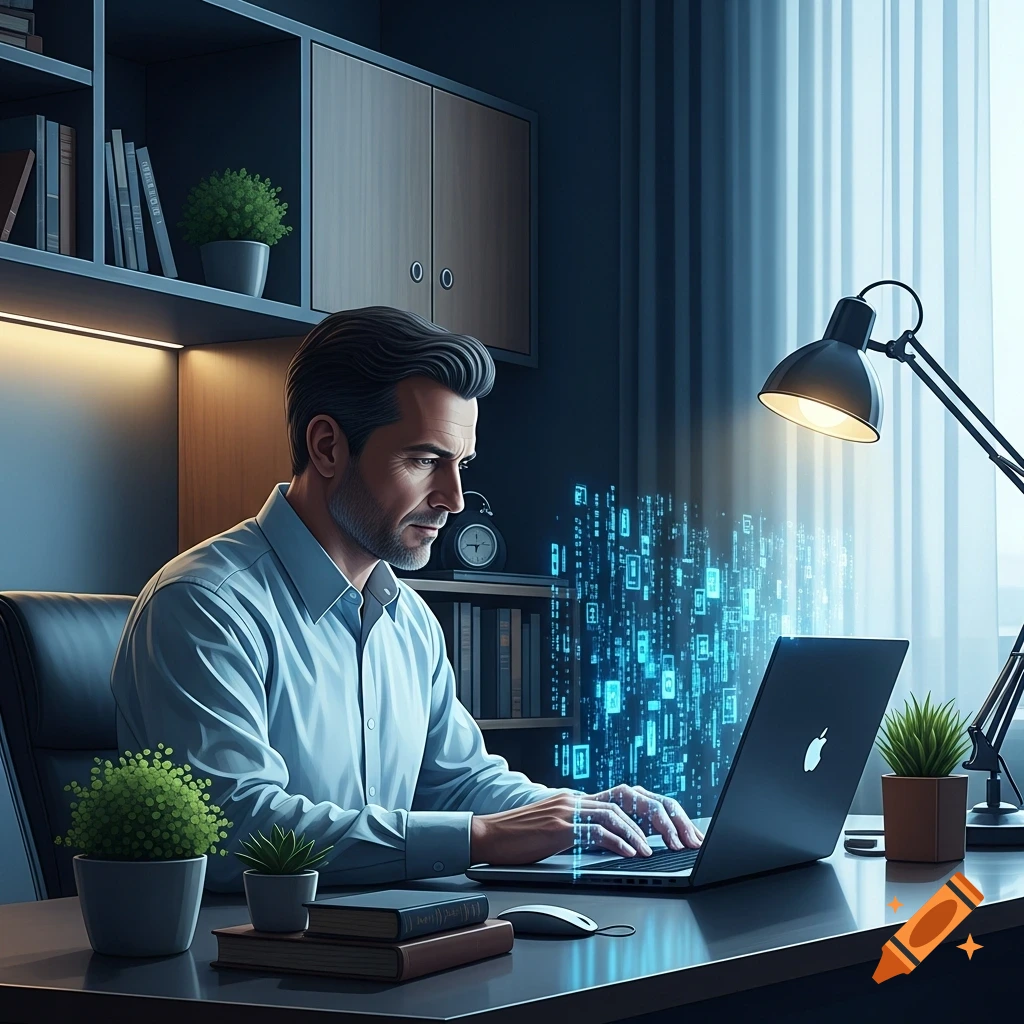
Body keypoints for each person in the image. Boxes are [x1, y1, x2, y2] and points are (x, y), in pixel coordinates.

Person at [110, 306, 704, 892]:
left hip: (395, 943)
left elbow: (461, 783)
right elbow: (239, 826)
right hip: (254, 965)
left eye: (461, 465)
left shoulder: (410, 620)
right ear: (326, 447)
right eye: (425, 460)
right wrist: (480, 838)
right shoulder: (204, 606)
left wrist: (578, 813)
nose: (455, 497)